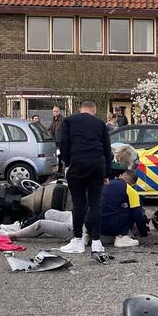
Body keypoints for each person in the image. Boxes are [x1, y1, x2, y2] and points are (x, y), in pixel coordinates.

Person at [58, 100, 112, 257]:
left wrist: (68, 162)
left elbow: (63, 143)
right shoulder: (101, 124)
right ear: (94, 110)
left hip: (78, 164)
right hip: (97, 165)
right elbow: (107, 150)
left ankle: (77, 241)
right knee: (95, 204)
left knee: (78, 203)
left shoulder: (68, 121)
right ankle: (96, 242)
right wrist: (106, 174)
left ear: (80, 109)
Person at [101, 144, 149, 247]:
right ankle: (122, 237)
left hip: (89, 222)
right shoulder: (128, 189)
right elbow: (137, 214)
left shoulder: (104, 176)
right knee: (131, 210)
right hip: (108, 227)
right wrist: (143, 233)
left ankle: (84, 235)